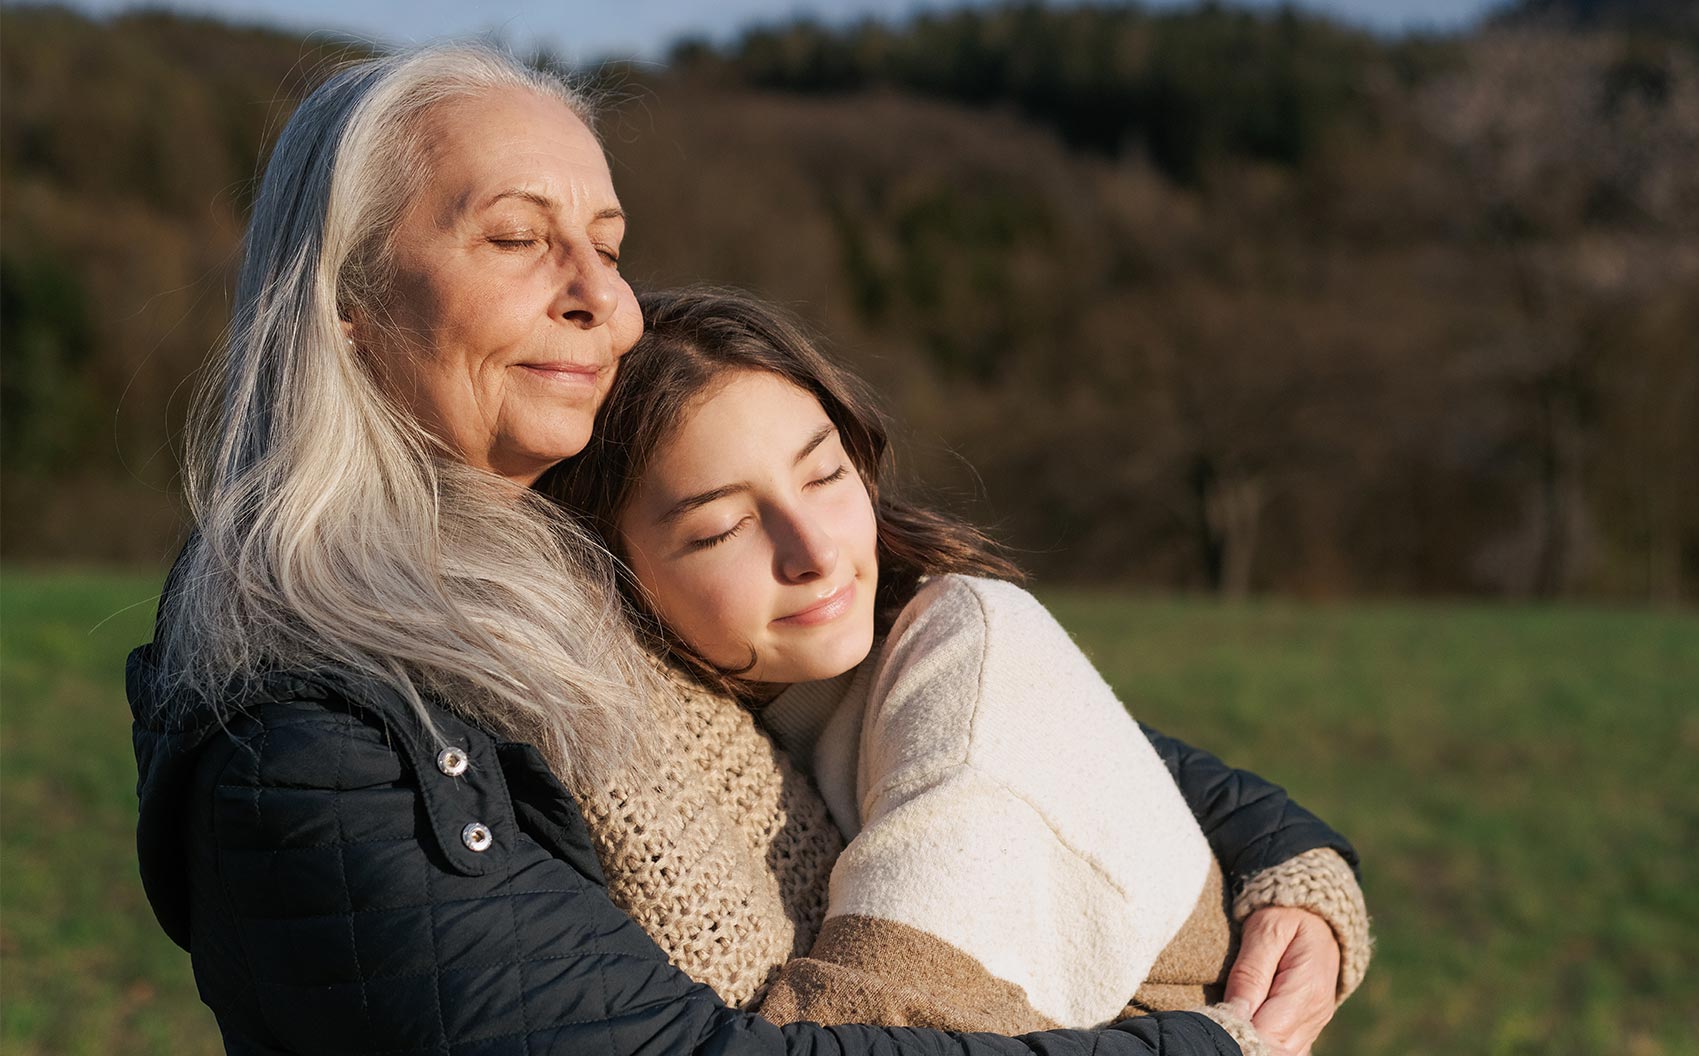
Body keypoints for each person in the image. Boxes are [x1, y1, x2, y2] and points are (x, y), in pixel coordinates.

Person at [128, 44, 1368, 1056]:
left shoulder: (565, 561)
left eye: (608, 246)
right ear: (343, 309)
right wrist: (1208, 1048)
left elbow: (976, 717)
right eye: (516, 239)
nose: (600, 300)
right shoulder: (309, 737)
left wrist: (1284, 862)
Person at [537, 288, 1372, 1038]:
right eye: (723, 528)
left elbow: (865, 1029)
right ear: (606, 570)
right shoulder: (758, 705)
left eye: (826, 475)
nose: (816, 552)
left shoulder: (967, 666)